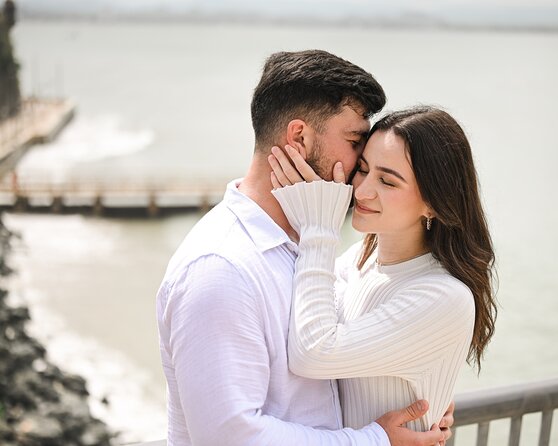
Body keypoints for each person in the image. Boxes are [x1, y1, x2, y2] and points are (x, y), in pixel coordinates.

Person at [156, 51, 453, 445]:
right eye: (354, 142)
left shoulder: (307, 243)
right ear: (299, 138)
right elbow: (228, 436)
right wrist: (372, 441)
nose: (361, 162)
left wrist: (424, 398)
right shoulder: (222, 269)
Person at [269, 105, 497, 433]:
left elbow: (312, 354)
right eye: (362, 169)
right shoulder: (355, 262)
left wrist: (319, 227)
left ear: (434, 201)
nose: (361, 191)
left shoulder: (444, 297)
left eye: (387, 181)